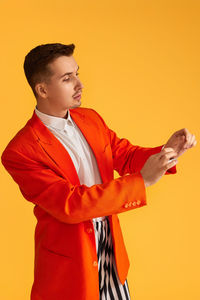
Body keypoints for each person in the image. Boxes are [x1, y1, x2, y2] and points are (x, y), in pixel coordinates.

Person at [1, 43, 196, 300]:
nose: (80, 84)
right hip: (71, 262)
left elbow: (123, 155)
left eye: (77, 73)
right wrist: (142, 181)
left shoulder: (90, 118)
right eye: (67, 78)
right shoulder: (20, 151)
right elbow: (71, 205)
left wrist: (165, 152)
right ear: (42, 89)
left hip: (111, 249)